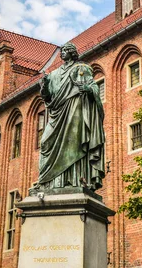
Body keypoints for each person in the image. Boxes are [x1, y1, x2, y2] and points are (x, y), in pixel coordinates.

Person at [38, 42, 105, 191]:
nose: (62, 53)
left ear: (72, 53)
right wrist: (43, 88)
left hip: (75, 110)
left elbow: (93, 85)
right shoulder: (53, 74)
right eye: (62, 51)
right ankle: (48, 182)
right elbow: (48, 98)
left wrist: (87, 88)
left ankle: (72, 180)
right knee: (44, 143)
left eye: (66, 50)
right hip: (57, 114)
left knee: (74, 143)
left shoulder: (81, 68)